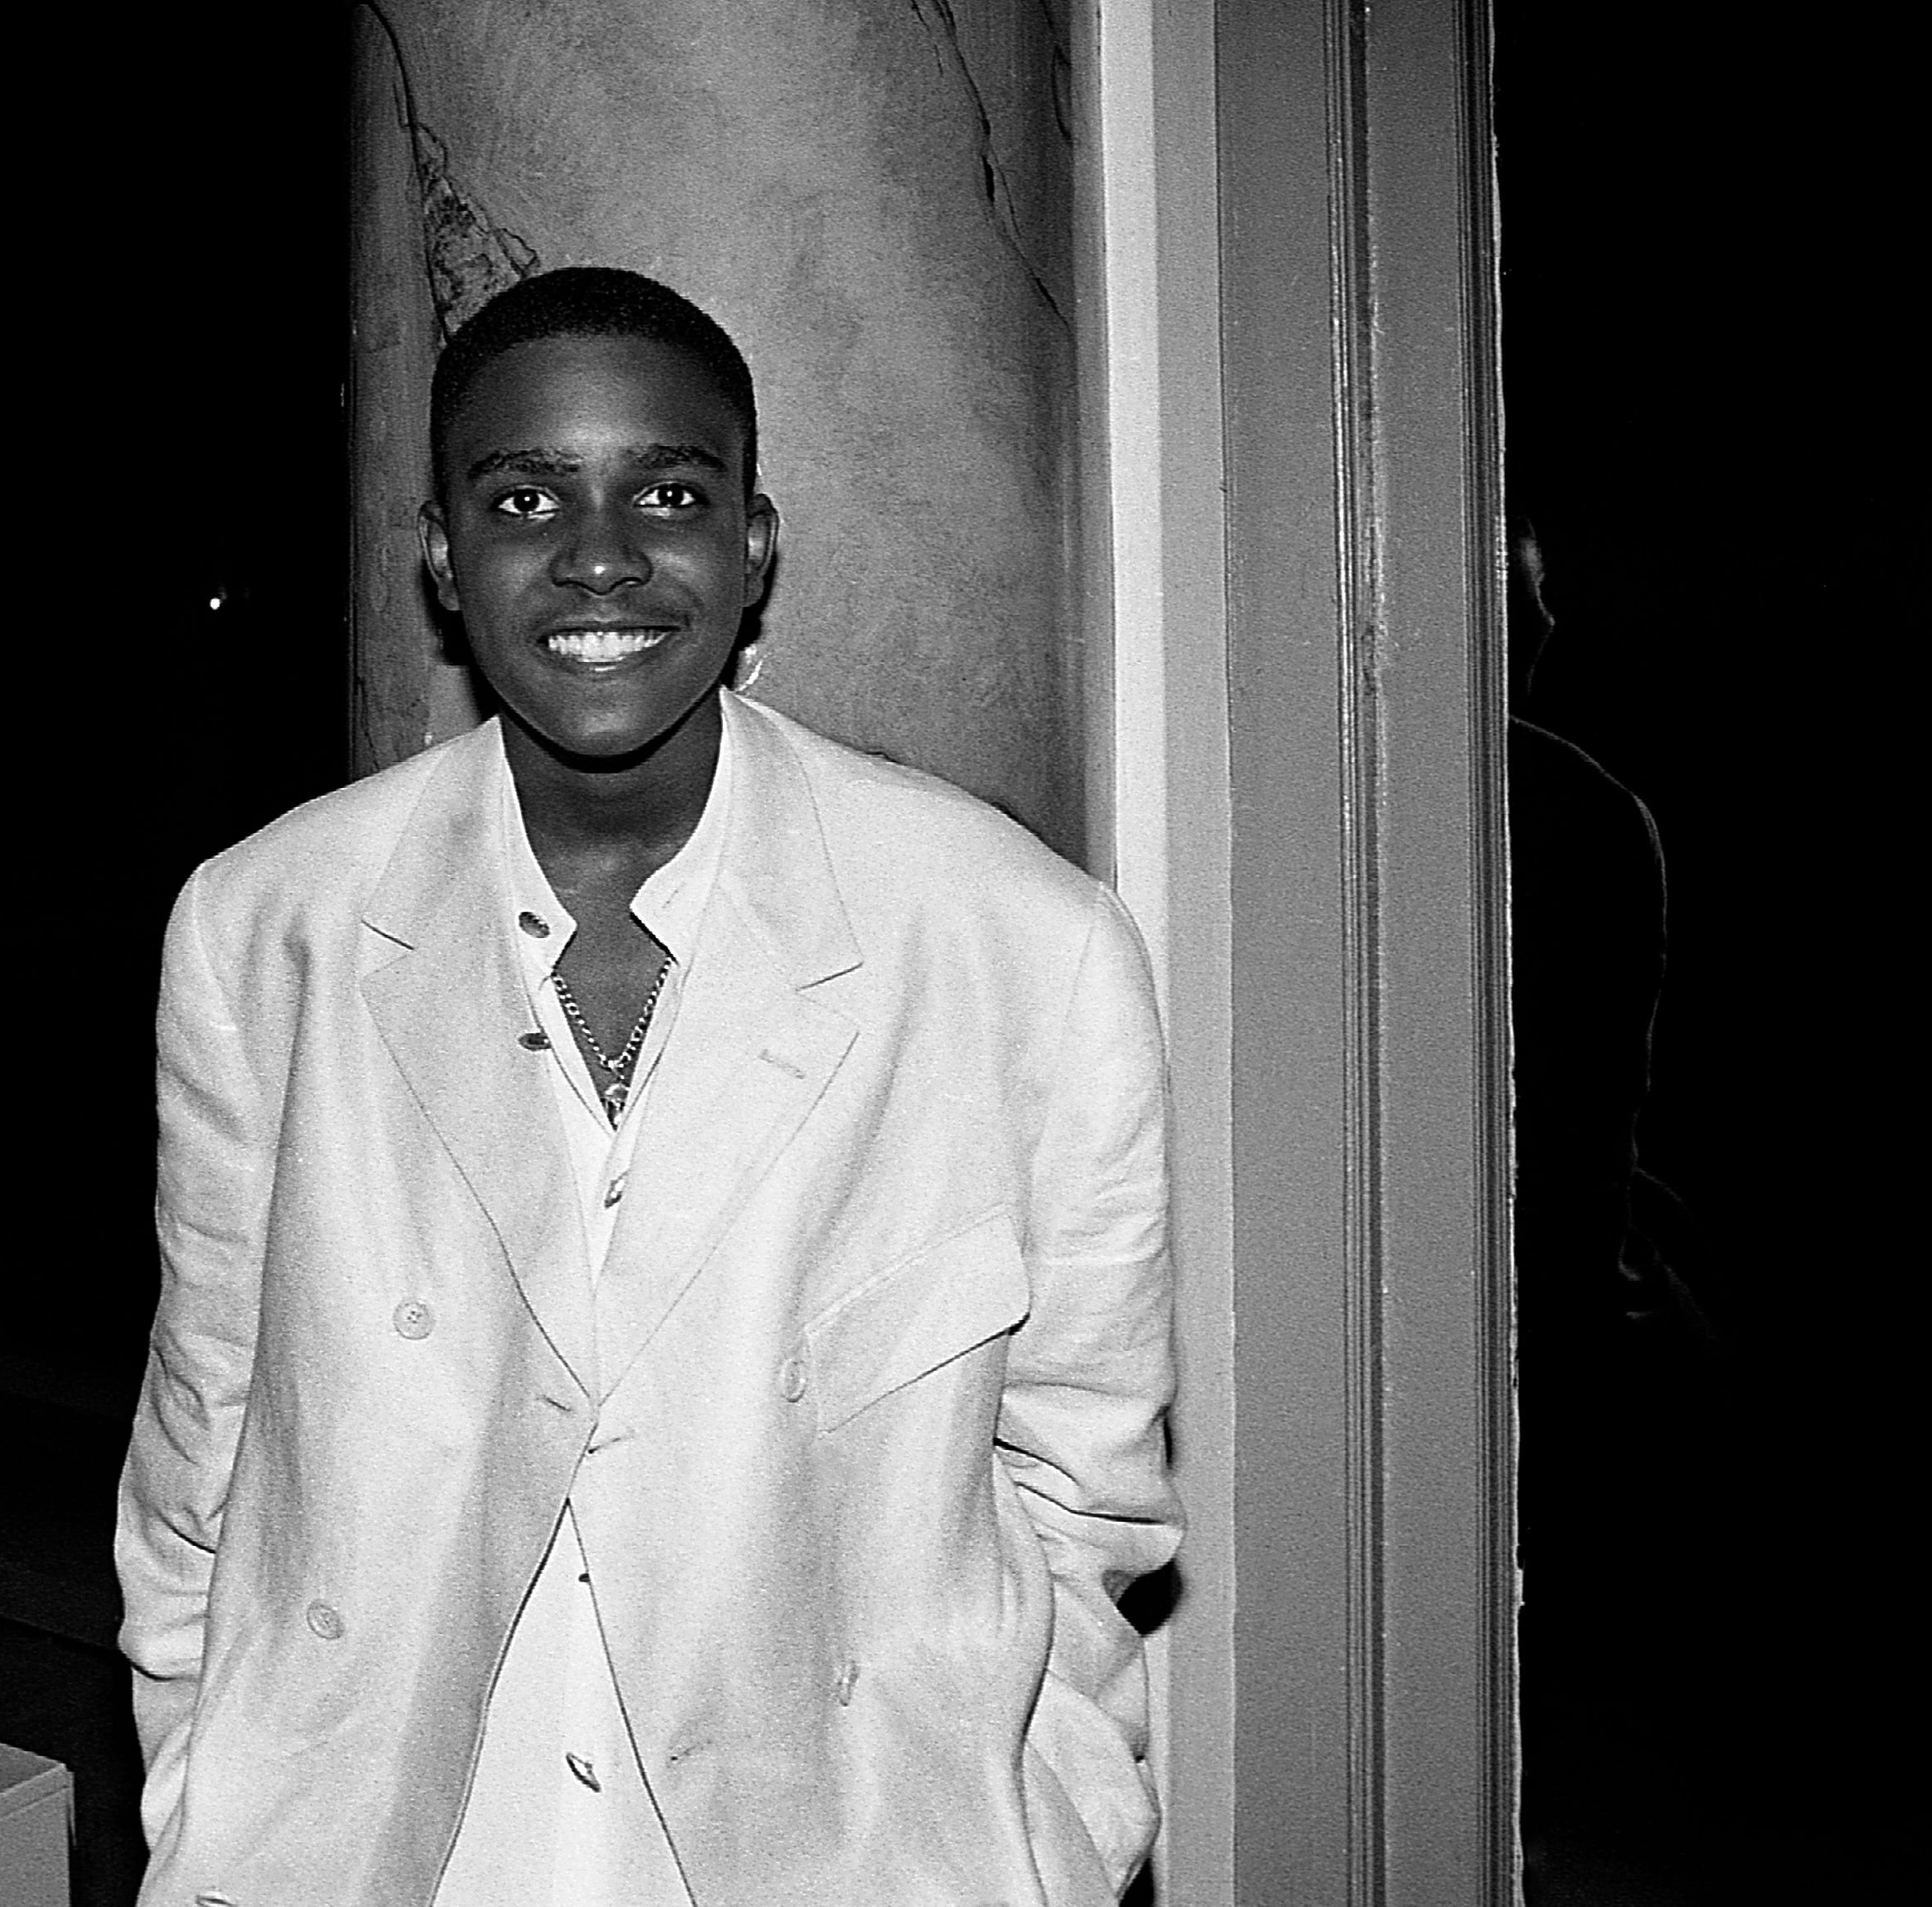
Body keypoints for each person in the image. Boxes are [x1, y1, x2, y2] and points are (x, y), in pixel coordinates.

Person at [116, 266, 1177, 1905]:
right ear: (439, 555)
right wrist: (208, 1788)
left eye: (667, 492)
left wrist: (1046, 1820)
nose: (596, 556)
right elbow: (209, 1426)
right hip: (394, 1845)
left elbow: (1083, 1473)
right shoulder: (271, 927)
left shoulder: (1016, 944)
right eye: (524, 494)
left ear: (752, 545)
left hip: (846, 1854)